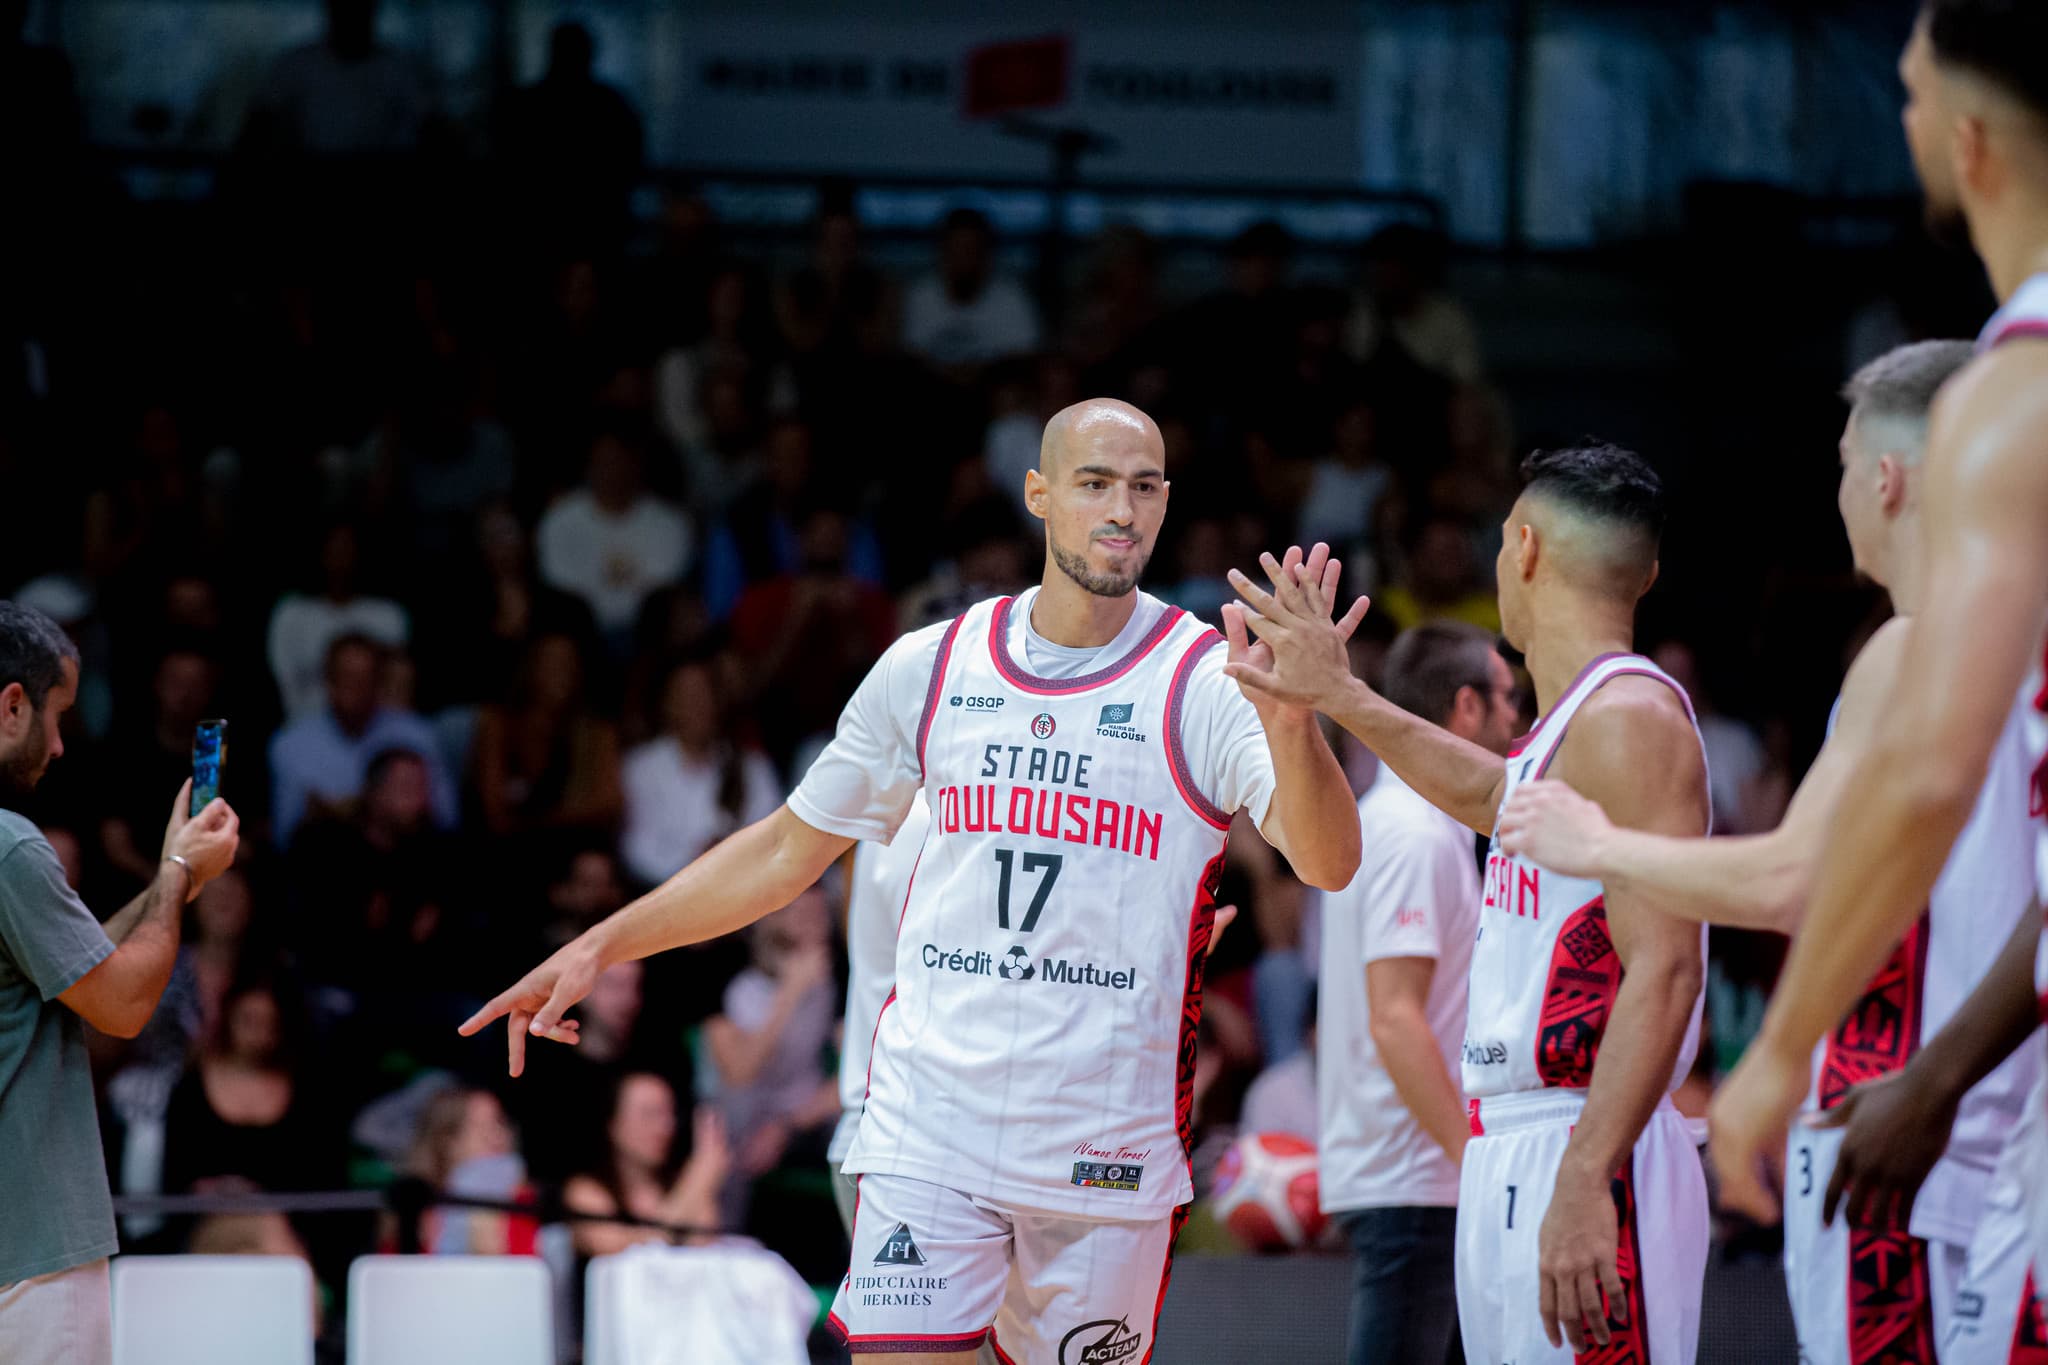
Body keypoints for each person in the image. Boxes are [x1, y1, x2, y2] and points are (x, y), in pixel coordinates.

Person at [463, 397, 1362, 1364]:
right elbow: (780, 851)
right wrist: (602, 942)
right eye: (1096, 483)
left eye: (1144, 487)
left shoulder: (1207, 680)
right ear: (1040, 493)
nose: (1122, 509)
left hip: (1105, 1153)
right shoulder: (931, 666)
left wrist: (1297, 717)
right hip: (932, 1129)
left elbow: (1328, 860)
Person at [1496, 342, 2039, 1362]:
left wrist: (1602, 843)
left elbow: (1791, 880)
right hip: (1989, 1149)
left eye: (1840, 464)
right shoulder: (2014, 649)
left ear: (1884, 480)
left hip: (1900, 1150)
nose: (1836, 494)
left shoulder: (1908, 648)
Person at [1225, 443, 1712, 1362]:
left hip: (1579, 1137)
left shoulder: (1630, 719)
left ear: (1522, 549)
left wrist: (1586, 1176)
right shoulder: (1568, 730)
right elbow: (1489, 793)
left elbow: (1669, 965)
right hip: (1515, 1140)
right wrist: (1339, 695)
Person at [1707, 1, 2048, 1263]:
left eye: (1905, 99)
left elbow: (1924, 772)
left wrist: (1777, 1052)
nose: (1897, 126)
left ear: (1964, 140)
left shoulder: (2013, 395)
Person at [0, 602, 239, 1362]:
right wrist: (175, 875)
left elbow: (75, 969)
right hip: (29, 1241)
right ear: (12, 705)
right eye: (57, 713)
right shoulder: (10, 848)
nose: (63, 743)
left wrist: (178, 878)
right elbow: (123, 1002)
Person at [1318, 622, 1519, 1365]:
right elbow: (1396, 1018)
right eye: (1506, 698)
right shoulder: (1416, 833)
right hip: (1417, 1176)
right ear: (1464, 706)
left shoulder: (1396, 821)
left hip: (1408, 1170)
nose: (1515, 719)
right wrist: (1475, 1160)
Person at [267, 633, 455, 845]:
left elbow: (447, 820)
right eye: (346, 677)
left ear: (380, 681)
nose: (354, 688)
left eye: (364, 678)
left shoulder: (418, 736)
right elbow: (283, 835)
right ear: (328, 680)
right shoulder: (291, 744)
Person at [619, 656, 782, 886]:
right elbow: (638, 850)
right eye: (687, 695)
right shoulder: (642, 768)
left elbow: (773, 841)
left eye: (705, 694)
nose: (697, 705)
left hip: (744, 897)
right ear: (667, 703)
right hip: (662, 900)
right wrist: (698, 864)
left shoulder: (752, 768)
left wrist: (727, 858)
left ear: (719, 701)